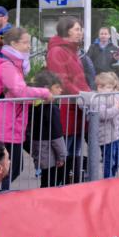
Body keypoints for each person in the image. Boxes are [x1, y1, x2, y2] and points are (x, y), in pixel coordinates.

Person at [0, 27, 52, 188]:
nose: (29, 46)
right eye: (25, 42)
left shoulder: (10, 64)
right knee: (9, 169)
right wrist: (43, 92)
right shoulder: (7, 66)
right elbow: (19, 91)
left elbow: (15, 91)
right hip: (4, 124)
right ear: (14, 44)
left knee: (10, 168)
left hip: (8, 122)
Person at [46, 16, 89, 182]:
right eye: (77, 29)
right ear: (67, 31)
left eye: (80, 29)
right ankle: (60, 186)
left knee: (74, 155)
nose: (80, 32)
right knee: (64, 156)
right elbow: (60, 81)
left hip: (76, 110)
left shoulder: (71, 50)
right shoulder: (57, 51)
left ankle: (70, 185)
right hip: (67, 111)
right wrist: (82, 95)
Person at [25, 70, 67, 188]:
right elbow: (56, 135)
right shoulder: (52, 109)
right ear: (46, 89)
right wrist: (62, 156)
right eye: (57, 87)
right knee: (51, 183)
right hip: (51, 154)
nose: (61, 90)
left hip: (40, 151)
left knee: (45, 181)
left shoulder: (33, 106)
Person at [86, 72, 119, 178]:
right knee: (109, 161)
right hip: (106, 136)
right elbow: (104, 114)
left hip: (115, 133)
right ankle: (108, 179)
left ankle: (111, 176)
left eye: (111, 87)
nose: (111, 89)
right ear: (100, 87)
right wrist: (117, 108)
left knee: (118, 159)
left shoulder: (110, 96)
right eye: (108, 87)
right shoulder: (98, 99)